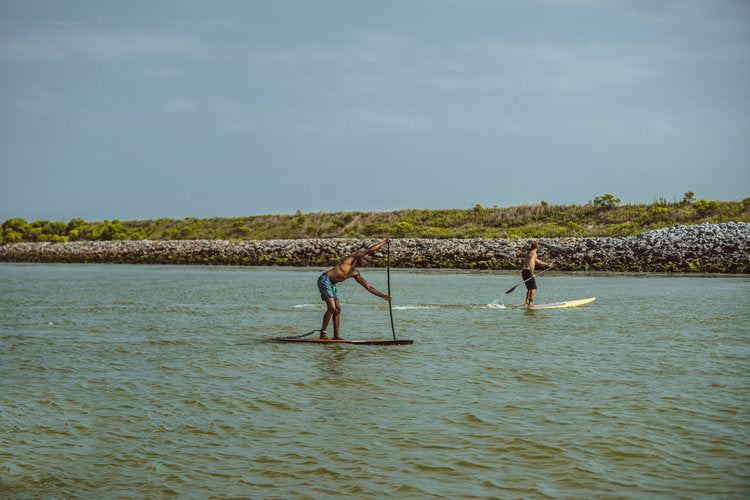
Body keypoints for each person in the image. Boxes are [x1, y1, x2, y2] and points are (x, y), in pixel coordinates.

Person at [316, 238, 392, 339]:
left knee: (338, 309)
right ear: (360, 257)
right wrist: (384, 242)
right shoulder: (351, 258)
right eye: (364, 259)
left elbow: (368, 287)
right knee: (332, 308)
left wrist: (383, 296)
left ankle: (336, 337)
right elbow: (370, 250)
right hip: (325, 279)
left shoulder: (355, 273)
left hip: (332, 285)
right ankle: (323, 334)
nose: (365, 261)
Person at [522, 241, 553, 307]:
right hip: (528, 271)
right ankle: (530, 303)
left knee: (529, 288)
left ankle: (526, 303)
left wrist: (547, 264)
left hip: (524, 271)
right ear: (537, 247)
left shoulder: (529, 253)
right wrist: (532, 273)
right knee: (533, 288)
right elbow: (531, 263)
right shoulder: (534, 254)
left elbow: (537, 261)